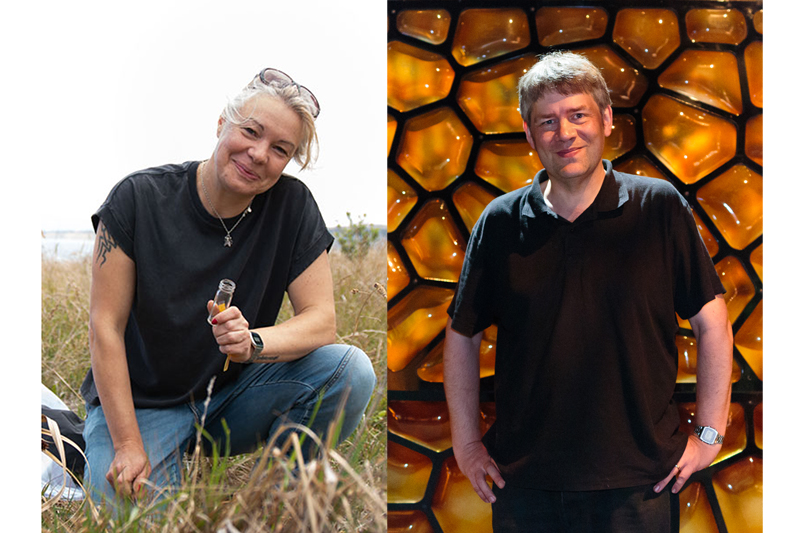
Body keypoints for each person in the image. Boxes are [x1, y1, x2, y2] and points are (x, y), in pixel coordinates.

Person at [443, 51, 733, 532]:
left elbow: (713, 323)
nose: (565, 133)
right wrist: (467, 444)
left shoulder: (658, 207)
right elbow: (462, 334)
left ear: (606, 118)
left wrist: (708, 435)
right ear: (530, 132)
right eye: (548, 121)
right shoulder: (499, 222)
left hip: (641, 484)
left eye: (578, 114)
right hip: (524, 484)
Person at [80, 68, 376, 506]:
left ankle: (271, 502)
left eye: (280, 149)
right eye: (251, 131)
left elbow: (322, 321)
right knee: (126, 515)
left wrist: (252, 342)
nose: (258, 154)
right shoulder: (137, 198)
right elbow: (104, 325)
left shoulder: (292, 208)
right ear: (222, 123)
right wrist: (127, 444)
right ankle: (109, 450)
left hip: (232, 399)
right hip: (142, 408)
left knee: (349, 370)